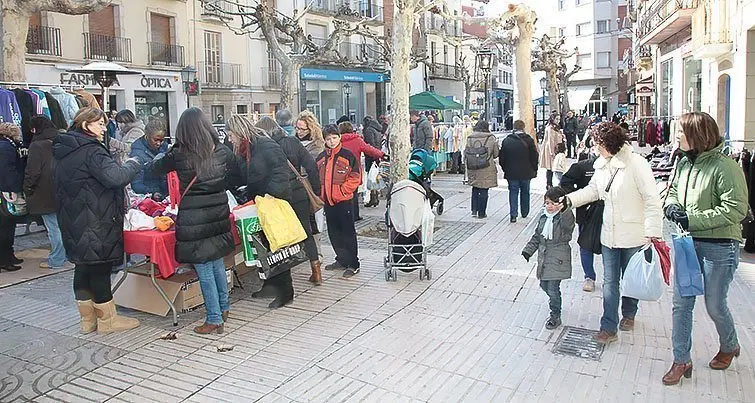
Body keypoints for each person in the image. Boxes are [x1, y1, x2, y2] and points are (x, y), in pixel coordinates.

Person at [662, 112, 748, 385]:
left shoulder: (726, 167)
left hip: (720, 247)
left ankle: (730, 344)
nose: (676, 136)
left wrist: (693, 219)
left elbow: (736, 209)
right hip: (688, 243)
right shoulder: (683, 162)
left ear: (698, 136)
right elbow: (672, 190)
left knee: (714, 304)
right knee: (681, 304)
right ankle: (681, 359)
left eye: (681, 132)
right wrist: (672, 206)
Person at [565, 122, 662, 344]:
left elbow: (652, 199)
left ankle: (629, 313)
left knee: (630, 279)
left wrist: (652, 231)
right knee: (610, 282)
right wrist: (569, 200)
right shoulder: (601, 165)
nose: (594, 146)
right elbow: (593, 190)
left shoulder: (637, 164)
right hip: (609, 234)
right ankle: (608, 326)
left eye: (597, 143)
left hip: (633, 234)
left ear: (608, 143)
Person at [53, 107, 142, 334]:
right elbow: (116, 177)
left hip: (73, 219)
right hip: (95, 219)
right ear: (86, 125)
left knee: (82, 268)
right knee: (100, 268)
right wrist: (133, 163)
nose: (104, 128)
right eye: (100, 124)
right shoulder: (92, 151)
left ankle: (87, 321)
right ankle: (107, 321)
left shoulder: (65, 149)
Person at [152, 108, 236, 334]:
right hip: (218, 213)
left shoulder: (180, 154)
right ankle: (224, 307)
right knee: (216, 261)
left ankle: (214, 318)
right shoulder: (221, 150)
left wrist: (168, 150)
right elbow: (235, 175)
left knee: (204, 268)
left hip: (194, 218)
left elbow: (155, 169)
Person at [226, 115, 294, 308]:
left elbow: (281, 173)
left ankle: (285, 291)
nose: (229, 139)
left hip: (272, 203)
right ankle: (269, 285)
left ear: (239, 132)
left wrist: (272, 195)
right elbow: (242, 175)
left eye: (231, 135)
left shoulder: (265, 145)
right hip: (258, 203)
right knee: (263, 247)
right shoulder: (245, 150)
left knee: (278, 248)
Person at [256, 116, 322, 285]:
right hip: (299, 192)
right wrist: (315, 190)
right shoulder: (293, 141)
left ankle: (285, 276)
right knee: (306, 231)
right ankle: (316, 271)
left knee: (281, 234)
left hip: (280, 197)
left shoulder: (266, 147)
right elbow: (311, 166)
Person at [522, 186, 575, 330]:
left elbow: (568, 223)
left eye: (553, 203)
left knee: (552, 288)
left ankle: (555, 314)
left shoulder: (563, 218)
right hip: (544, 258)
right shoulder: (544, 217)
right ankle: (555, 302)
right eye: (547, 203)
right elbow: (537, 236)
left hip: (558, 258)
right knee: (544, 285)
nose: (550, 206)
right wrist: (528, 251)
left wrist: (564, 209)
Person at [23, 115, 72, 270]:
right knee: (65, 225)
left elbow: (33, 172)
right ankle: (67, 255)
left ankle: (57, 259)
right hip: (66, 188)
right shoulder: (63, 139)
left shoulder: (37, 145)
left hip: (46, 191)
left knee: (53, 227)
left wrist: (27, 188)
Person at [317, 124, 361, 278]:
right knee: (334, 232)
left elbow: (356, 177)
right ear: (324, 140)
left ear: (339, 137)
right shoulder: (321, 157)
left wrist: (343, 191)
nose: (332, 141)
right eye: (328, 139)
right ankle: (341, 259)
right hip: (328, 201)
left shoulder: (348, 156)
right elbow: (317, 178)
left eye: (334, 138)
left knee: (347, 232)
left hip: (344, 201)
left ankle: (353, 263)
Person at [560, 150, 598, 292]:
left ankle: (612, 279)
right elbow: (565, 181)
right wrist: (575, 196)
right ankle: (589, 276)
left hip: (610, 214)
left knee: (610, 247)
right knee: (585, 244)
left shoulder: (618, 167)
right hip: (587, 213)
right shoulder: (582, 167)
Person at [338, 121, 384, 222]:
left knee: (341, 192)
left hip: (340, 171)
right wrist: (382, 155)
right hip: (354, 170)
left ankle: (343, 215)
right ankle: (355, 215)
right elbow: (370, 149)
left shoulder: (338, 141)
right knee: (353, 194)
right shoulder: (357, 140)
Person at [499, 120, 539, 223]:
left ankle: (513, 214)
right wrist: (534, 168)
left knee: (513, 192)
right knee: (525, 191)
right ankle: (525, 212)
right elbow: (534, 156)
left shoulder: (507, 141)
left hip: (511, 172)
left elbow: (502, 158)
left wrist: (505, 169)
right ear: (523, 128)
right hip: (526, 171)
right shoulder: (529, 140)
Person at [0, 123, 26, 272]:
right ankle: (6, 259)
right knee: (7, 226)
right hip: (6, 192)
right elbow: (8, 170)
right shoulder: (7, 148)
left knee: (7, 225)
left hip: (4, 189)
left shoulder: (6, 146)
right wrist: (17, 186)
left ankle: (8, 256)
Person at [465, 120, 498, 219]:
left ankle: (474, 210)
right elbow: (496, 154)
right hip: (486, 167)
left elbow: (466, 151)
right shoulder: (491, 138)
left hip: (472, 166)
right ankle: (482, 212)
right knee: (484, 189)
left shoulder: (470, 138)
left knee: (475, 187)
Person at [129, 121, 169, 196]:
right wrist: (152, 193)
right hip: (150, 196)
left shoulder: (165, 148)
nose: (158, 143)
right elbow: (136, 184)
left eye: (161, 140)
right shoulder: (137, 154)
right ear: (147, 136)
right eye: (156, 140)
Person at [362, 115, 384, 207]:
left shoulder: (368, 130)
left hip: (371, 156)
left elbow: (370, 144)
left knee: (371, 177)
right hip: (377, 154)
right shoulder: (377, 129)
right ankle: (375, 197)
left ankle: (373, 197)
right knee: (375, 176)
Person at [540, 114, 565, 188]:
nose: (558, 121)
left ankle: (552, 184)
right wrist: (552, 152)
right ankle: (549, 184)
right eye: (556, 119)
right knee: (551, 168)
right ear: (552, 119)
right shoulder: (550, 128)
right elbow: (550, 141)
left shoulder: (556, 127)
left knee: (554, 167)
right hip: (552, 150)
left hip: (557, 149)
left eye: (559, 119)